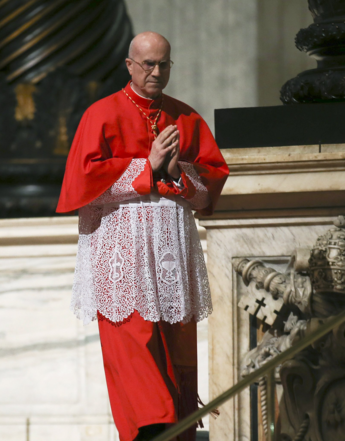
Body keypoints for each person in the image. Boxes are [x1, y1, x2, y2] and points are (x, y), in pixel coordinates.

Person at [56, 31, 229, 441]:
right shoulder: (101, 114)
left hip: (170, 251)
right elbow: (82, 183)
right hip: (122, 251)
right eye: (148, 64)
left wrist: (175, 174)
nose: (156, 71)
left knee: (173, 343)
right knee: (131, 341)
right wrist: (145, 168)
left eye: (164, 64)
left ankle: (177, 427)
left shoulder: (186, 118)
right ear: (129, 65)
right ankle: (152, 428)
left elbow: (209, 189)